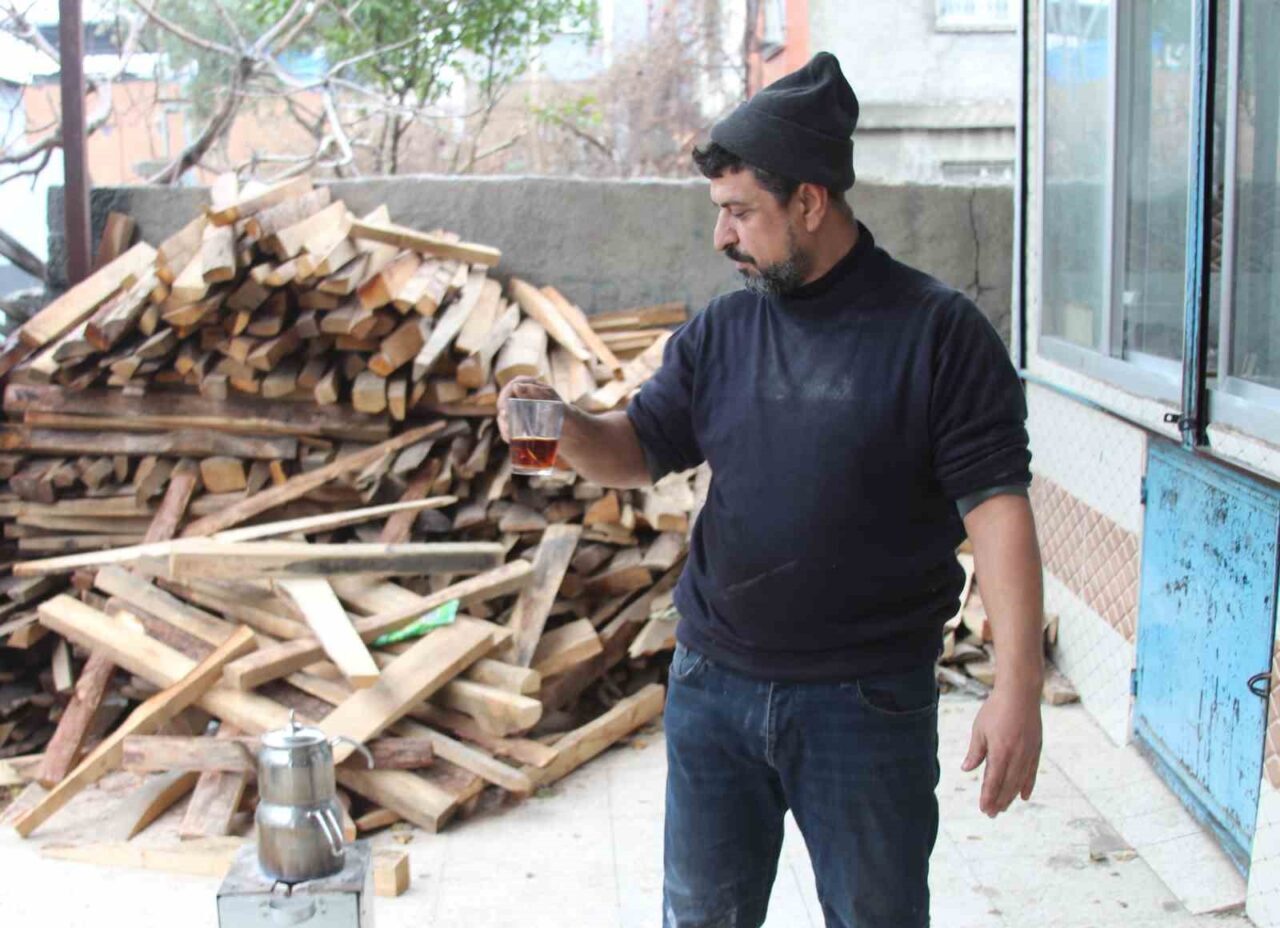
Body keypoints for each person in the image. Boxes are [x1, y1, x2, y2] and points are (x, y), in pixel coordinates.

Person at [497, 51, 1044, 928]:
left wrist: (1017, 687)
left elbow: (997, 509)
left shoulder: (938, 333)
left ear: (810, 202)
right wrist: (562, 426)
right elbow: (638, 449)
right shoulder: (725, 330)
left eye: (740, 212)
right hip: (713, 686)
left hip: (866, 703)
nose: (722, 237)